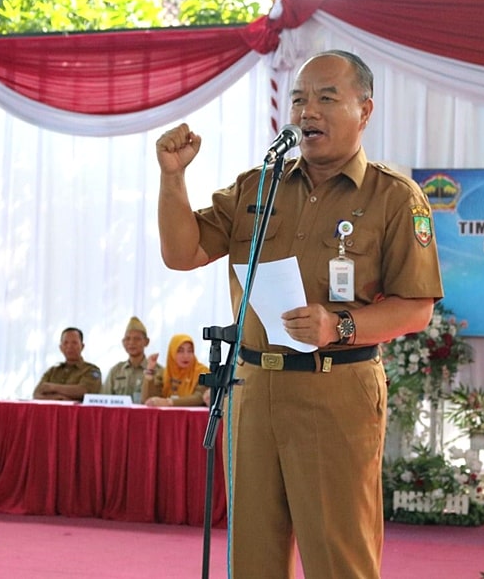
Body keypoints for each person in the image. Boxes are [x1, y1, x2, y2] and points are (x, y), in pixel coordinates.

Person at [155, 50, 442, 578]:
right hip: (250, 392)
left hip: (335, 389)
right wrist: (173, 178)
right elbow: (183, 252)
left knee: (338, 557)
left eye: (326, 99)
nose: (308, 111)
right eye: (299, 99)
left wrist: (342, 325)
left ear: (365, 110)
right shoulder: (256, 187)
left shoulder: (394, 198)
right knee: (252, 559)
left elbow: (417, 307)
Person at [33, 327, 102, 400]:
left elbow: (85, 391)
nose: (69, 346)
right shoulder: (53, 371)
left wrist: (53, 387)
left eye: (74, 343)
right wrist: (59, 398)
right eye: (65, 343)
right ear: (60, 347)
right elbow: (37, 393)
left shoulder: (90, 370)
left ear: (82, 346)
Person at [141, 333, 209, 407]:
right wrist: (150, 371)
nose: (186, 356)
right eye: (180, 351)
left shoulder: (202, 372)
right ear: (172, 353)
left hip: (193, 417)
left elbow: (199, 398)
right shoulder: (164, 373)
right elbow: (148, 400)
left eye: (190, 351)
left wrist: (169, 402)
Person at [101, 316, 152, 399]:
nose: (131, 343)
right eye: (127, 339)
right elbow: (104, 399)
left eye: (137, 339)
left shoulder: (157, 371)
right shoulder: (116, 371)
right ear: (123, 342)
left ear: (146, 342)